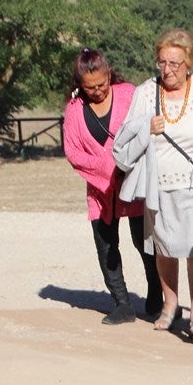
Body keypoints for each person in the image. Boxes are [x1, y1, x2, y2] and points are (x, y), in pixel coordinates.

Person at [113, 28, 193, 340]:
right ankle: (170, 305)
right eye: (162, 62)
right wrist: (146, 126)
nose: (167, 70)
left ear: (189, 63)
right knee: (163, 248)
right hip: (157, 185)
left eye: (175, 63)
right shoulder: (145, 92)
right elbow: (125, 135)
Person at [62, 48, 161, 325]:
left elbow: (145, 128)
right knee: (106, 247)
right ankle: (122, 304)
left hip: (134, 183)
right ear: (80, 84)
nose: (98, 91)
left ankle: (157, 297)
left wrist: (126, 162)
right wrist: (108, 166)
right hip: (100, 190)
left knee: (146, 244)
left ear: (109, 74)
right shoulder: (74, 109)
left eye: (102, 84)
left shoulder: (130, 93)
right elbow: (72, 151)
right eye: (90, 87)